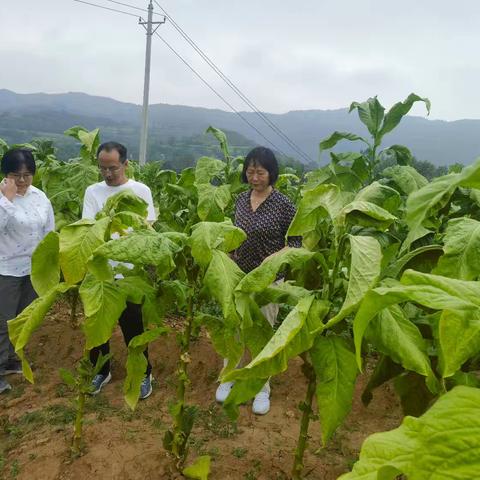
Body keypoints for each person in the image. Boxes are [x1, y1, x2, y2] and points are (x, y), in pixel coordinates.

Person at [215, 146, 301, 414]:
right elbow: (233, 234)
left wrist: (273, 261)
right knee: (236, 329)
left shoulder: (284, 205)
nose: (255, 177)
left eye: (260, 172)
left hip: (268, 282)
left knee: (262, 333)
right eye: (250, 172)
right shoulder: (241, 200)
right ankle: (229, 377)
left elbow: (296, 243)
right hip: (240, 277)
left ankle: (261, 388)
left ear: (271, 173)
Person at [82, 141, 157, 400]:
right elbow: (90, 228)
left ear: (126, 164)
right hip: (100, 271)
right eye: (102, 168)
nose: (108, 173)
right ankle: (101, 371)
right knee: (97, 324)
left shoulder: (140, 190)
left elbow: (147, 229)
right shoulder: (93, 192)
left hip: (129, 272)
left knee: (133, 327)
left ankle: (144, 373)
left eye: (113, 167)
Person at [0, 148, 55, 394]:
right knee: (3, 321)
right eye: (15, 175)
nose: (21, 181)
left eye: (27, 175)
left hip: (33, 269)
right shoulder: (2, 198)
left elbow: (48, 231)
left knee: (22, 317)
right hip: (6, 269)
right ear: (5, 174)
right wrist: (7, 200)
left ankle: (12, 359)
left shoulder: (40, 197)